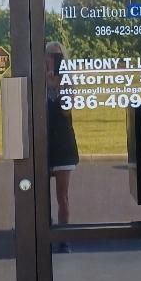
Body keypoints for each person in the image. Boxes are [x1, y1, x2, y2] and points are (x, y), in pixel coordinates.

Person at [46, 41, 79, 225]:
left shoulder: (67, 81)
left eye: (57, 56)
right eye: (49, 55)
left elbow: (66, 111)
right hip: (43, 144)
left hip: (63, 143)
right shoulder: (38, 81)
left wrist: (57, 87)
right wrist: (45, 84)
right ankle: (43, 231)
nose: (53, 59)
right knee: (38, 197)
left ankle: (63, 237)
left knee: (62, 196)